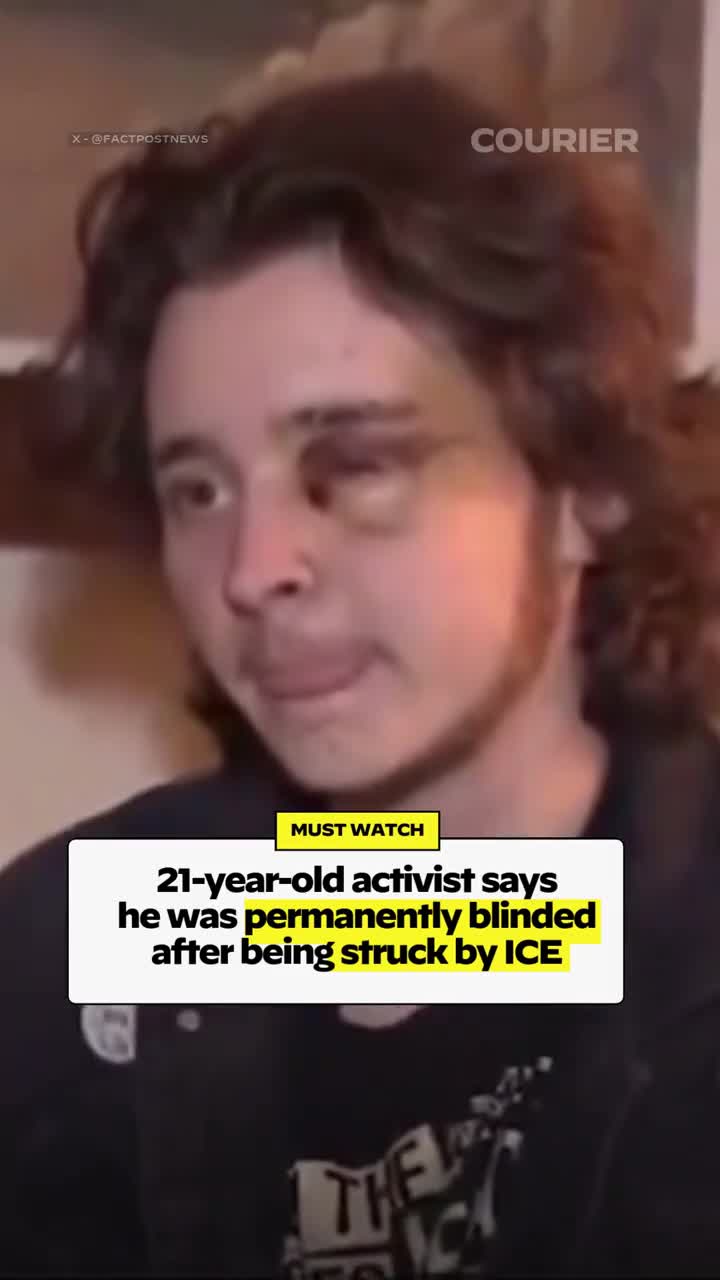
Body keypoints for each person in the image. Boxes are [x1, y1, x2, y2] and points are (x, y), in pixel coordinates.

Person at [2, 66, 720, 1279]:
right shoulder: (73, 943)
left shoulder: (686, 934)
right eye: (198, 490)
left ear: (584, 487)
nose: (252, 567)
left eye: (355, 466)